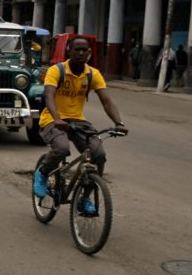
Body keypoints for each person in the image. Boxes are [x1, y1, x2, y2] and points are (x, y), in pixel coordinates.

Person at [33, 36, 128, 203]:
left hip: (78, 121)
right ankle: (42, 173)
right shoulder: (56, 70)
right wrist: (57, 119)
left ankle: (85, 197)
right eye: (77, 49)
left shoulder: (93, 74)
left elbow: (106, 101)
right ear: (69, 51)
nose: (81, 53)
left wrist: (118, 123)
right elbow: (49, 96)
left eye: (84, 50)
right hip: (52, 119)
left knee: (98, 154)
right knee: (62, 149)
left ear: (89, 53)